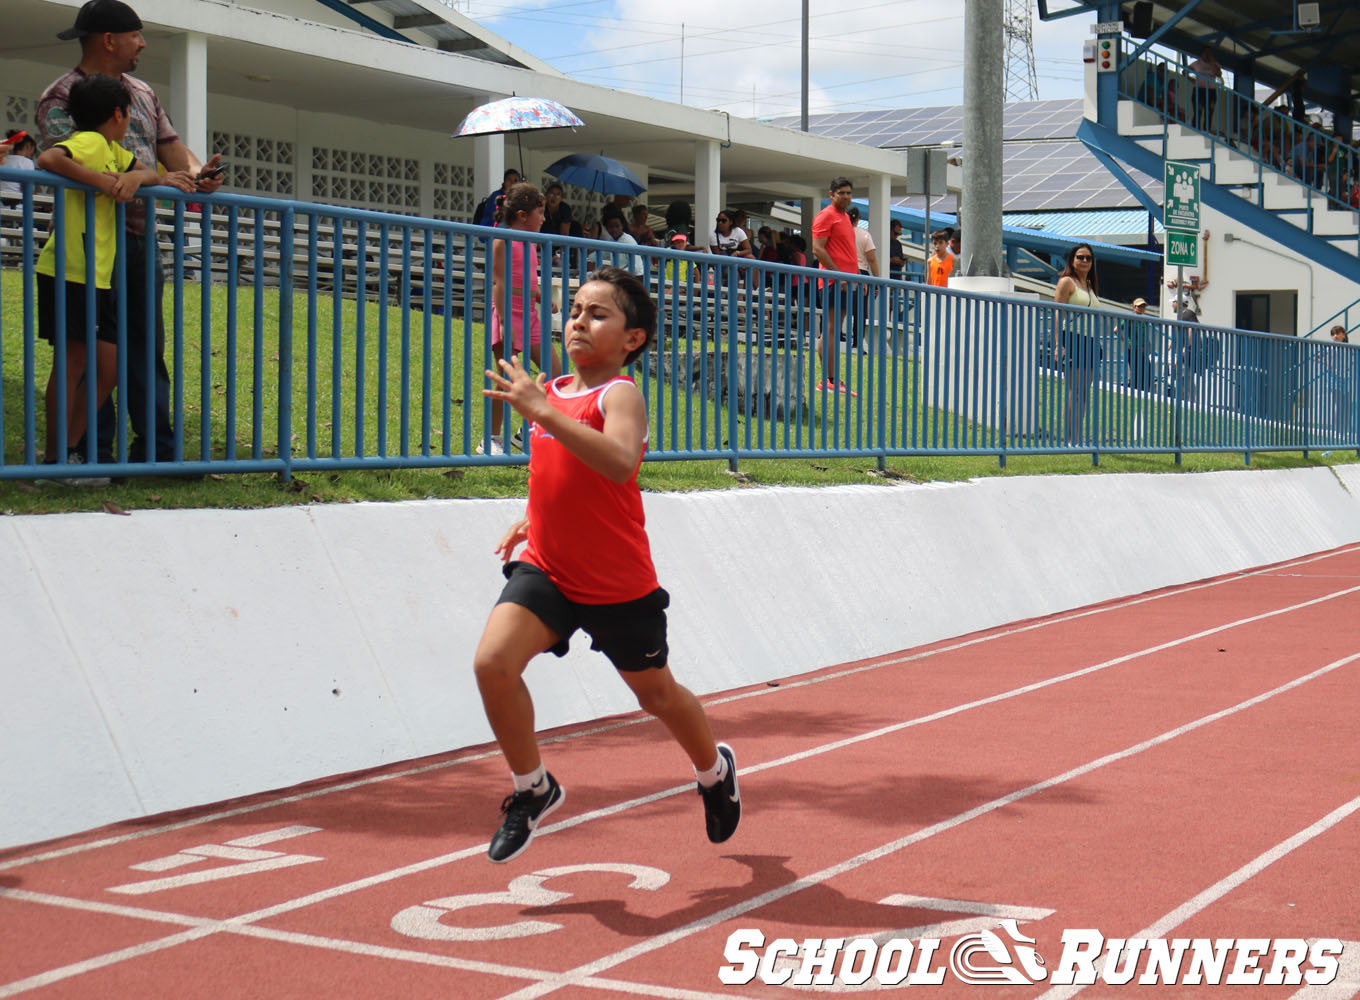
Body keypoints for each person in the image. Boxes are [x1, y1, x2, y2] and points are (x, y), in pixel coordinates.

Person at [474, 265, 741, 864]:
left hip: (616, 583)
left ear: (632, 339)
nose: (578, 322)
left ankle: (713, 771)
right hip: (548, 568)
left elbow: (619, 464)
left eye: (598, 315)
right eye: (574, 310)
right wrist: (530, 516)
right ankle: (532, 788)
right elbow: (558, 471)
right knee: (492, 664)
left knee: (658, 696)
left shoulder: (619, 395)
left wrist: (543, 413)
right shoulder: (552, 389)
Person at [39, 0, 224, 467]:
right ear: (109, 40)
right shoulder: (61, 96)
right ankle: (88, 452)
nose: (142, 44)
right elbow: (62, 160)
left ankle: (156, 452)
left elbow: (169, 150)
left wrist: (198, 175)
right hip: (90, 243)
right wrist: (124, 181)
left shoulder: (142, 92)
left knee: (144, 346)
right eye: (136, 35)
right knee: (91, 353)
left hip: (141, 237)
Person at [35, 75, 163, 482]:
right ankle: (55, 460)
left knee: (108, 367)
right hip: (72, 268)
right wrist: (106, 184)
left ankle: (68, 454)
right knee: (73, 362)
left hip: (97, 275)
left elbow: (150, 173)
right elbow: (49, 159)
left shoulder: (111, 149)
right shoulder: (90, 142)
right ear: (119, 114)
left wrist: (133, 178)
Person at [484, 182, 561, 453]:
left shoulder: (529, 242)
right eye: (540, 212)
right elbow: (499, 283)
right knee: (505, 378)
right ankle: (491, 439)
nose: (544, 218)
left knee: (555, 374)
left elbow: (526, 278)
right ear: (521, 215)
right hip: (508, 313)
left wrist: (540, 297)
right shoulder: (503, 240)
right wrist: (505, 322)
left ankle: (525, 433)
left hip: (530, 315)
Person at [810, 176, 858, 394]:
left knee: (833, 328)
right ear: (831, 195)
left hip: (846, 281)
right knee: (831, 329)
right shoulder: (826, 215)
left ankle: (830, 379)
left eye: (849, 193)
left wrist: (856, 278)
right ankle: (829, 380)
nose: (846, 197)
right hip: (833, 281)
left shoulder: (845, 217)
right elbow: (817, 249)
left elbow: (846, 251)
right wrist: (838, 275)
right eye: (841, 193)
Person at [1054, 243, 1102, 444]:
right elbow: (1058, 313)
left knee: (1083, 393)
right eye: (1080, 257)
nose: (1084, 261)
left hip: (1091, 342)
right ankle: (1070, 440)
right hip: (1074, 338)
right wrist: (1059, 343)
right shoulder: (1066, 282)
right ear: (1072, 260)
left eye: (1088, 258)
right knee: (1074, 391)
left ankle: (1076, 437)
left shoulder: (1090, 286)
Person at [595, 202, 644, 276]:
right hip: (619, 276)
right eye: (611, 227)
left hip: (633, 277)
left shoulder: (628, 241)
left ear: (622, 225)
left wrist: (616, 273)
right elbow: (601, 255)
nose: (614, 230)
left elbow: (636, 268)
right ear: (606, 228)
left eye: (617, 226)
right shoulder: (611, 241)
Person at [1123, 298, 1157, 393]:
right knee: (1137, 373)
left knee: (1147, 372)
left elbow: (1144, 334)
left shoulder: (1144, 319)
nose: (1142, 308)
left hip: (1143, 350)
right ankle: (1135, 392)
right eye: (1140, 306)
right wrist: (1127, 341)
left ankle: (1143, 392)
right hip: (1133, 350)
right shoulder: (1130, 317)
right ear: (1134, 307)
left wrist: (1148, 344)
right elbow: (1116, 330)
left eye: (1143, 306)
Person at [1189, 46, 1221, 133]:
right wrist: (1191, 79)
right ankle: (1196, 129)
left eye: (1209, 53)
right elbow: (1185, 71)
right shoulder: (1197, 63)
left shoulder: (1215, 65)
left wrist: (1212, 61)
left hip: (1211, 91)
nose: (1207, 55)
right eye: (1205, 53)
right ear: (1202, 54)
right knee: (1198, 110)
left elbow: (1219, 74)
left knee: (1209, 112)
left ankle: (1207, 130)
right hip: (1199, 90)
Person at [0, 130, 38, 205]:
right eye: (32, 152)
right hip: (16, 205)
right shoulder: (27, 162)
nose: (31, 156)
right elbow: (28, 189)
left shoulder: (3, 159)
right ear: (28, 146)